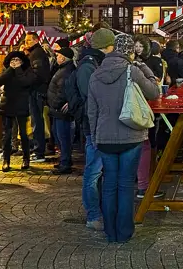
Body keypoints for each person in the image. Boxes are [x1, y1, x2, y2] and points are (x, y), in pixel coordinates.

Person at [88, 33, 160, 243]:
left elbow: (91, 112)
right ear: (130, 51)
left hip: (104, 137)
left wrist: (95, 137)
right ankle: (125, 232)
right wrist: (143, 66)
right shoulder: (133, 70)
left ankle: (110, 232)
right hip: (131, 135)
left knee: (109, 183)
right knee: (126, 184)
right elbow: (154, 91)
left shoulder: (95, 74)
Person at [78, 27, 114, 231]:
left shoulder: (95, 64)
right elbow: (90, 98)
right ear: (106, 47)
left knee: (99, 171)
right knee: (92, 172)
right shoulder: (88, 66)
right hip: (93, 127)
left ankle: (99, 210)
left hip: (101, 125)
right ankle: (93, 215)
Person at [133, 35, 163, 199]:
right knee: (144, 144)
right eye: (135, 46)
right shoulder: (137, 68)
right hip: (139, 110)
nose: (137, 49)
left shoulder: (101, 70)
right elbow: (153, 89)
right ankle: (143, 186)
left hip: (119, 118)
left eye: (140, 46)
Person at [0, 50, 36, 172]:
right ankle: (6, 160)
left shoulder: (27, 71)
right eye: (12, 60)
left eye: (17, 60)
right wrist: (10, 69)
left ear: (22, 61)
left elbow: (25, 82)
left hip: (21, 105)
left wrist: (18, 70)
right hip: (7, 105)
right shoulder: (7, 71)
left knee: (23, 134)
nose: (15, 62)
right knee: (7, 135)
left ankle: (26, 158)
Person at [47, 48, 76, 174]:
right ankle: (64, 161)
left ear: (63, 57)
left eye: (58, 55)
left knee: (63, 137)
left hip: (60, 110)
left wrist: (56, 104)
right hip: (57, 110)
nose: (56, 57)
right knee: (60, 136)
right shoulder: (63, 69)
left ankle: (65, 163)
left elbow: (63, 91)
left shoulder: (66, 71)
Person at [23, 32, 51, 163]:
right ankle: (38, 150)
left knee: (37, 121)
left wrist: (25, 80)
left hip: (36, 91)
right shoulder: (35, 53)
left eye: (29, 40)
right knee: (36, 121)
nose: (26, 42)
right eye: (26, 40)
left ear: (36, 40)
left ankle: (39, 151)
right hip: (36, 91)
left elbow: (37, 74)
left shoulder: (37, 53)